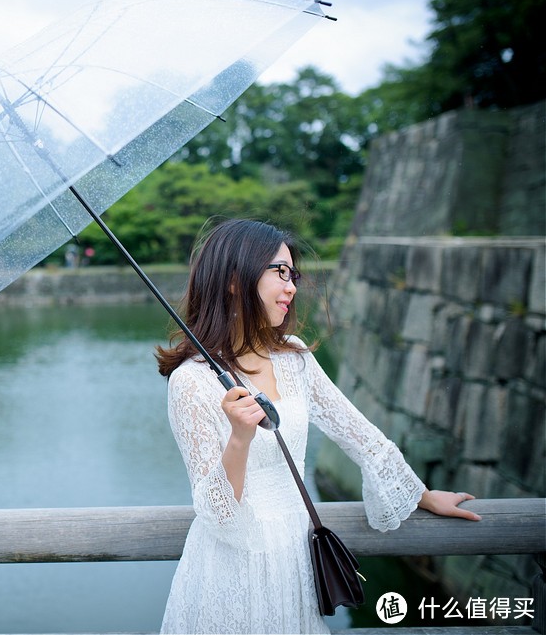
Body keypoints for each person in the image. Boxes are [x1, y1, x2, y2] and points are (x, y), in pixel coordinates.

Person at [154, 218, 480, 634]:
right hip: (231, 567)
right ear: (235, 279)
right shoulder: (190, 382)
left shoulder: (293, 355)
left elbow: (357, 432)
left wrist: (419, 494)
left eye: (293, 275)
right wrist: (239, 438)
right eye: (279, 272)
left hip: (295, 552)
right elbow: (217, 514)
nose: (291, 287)